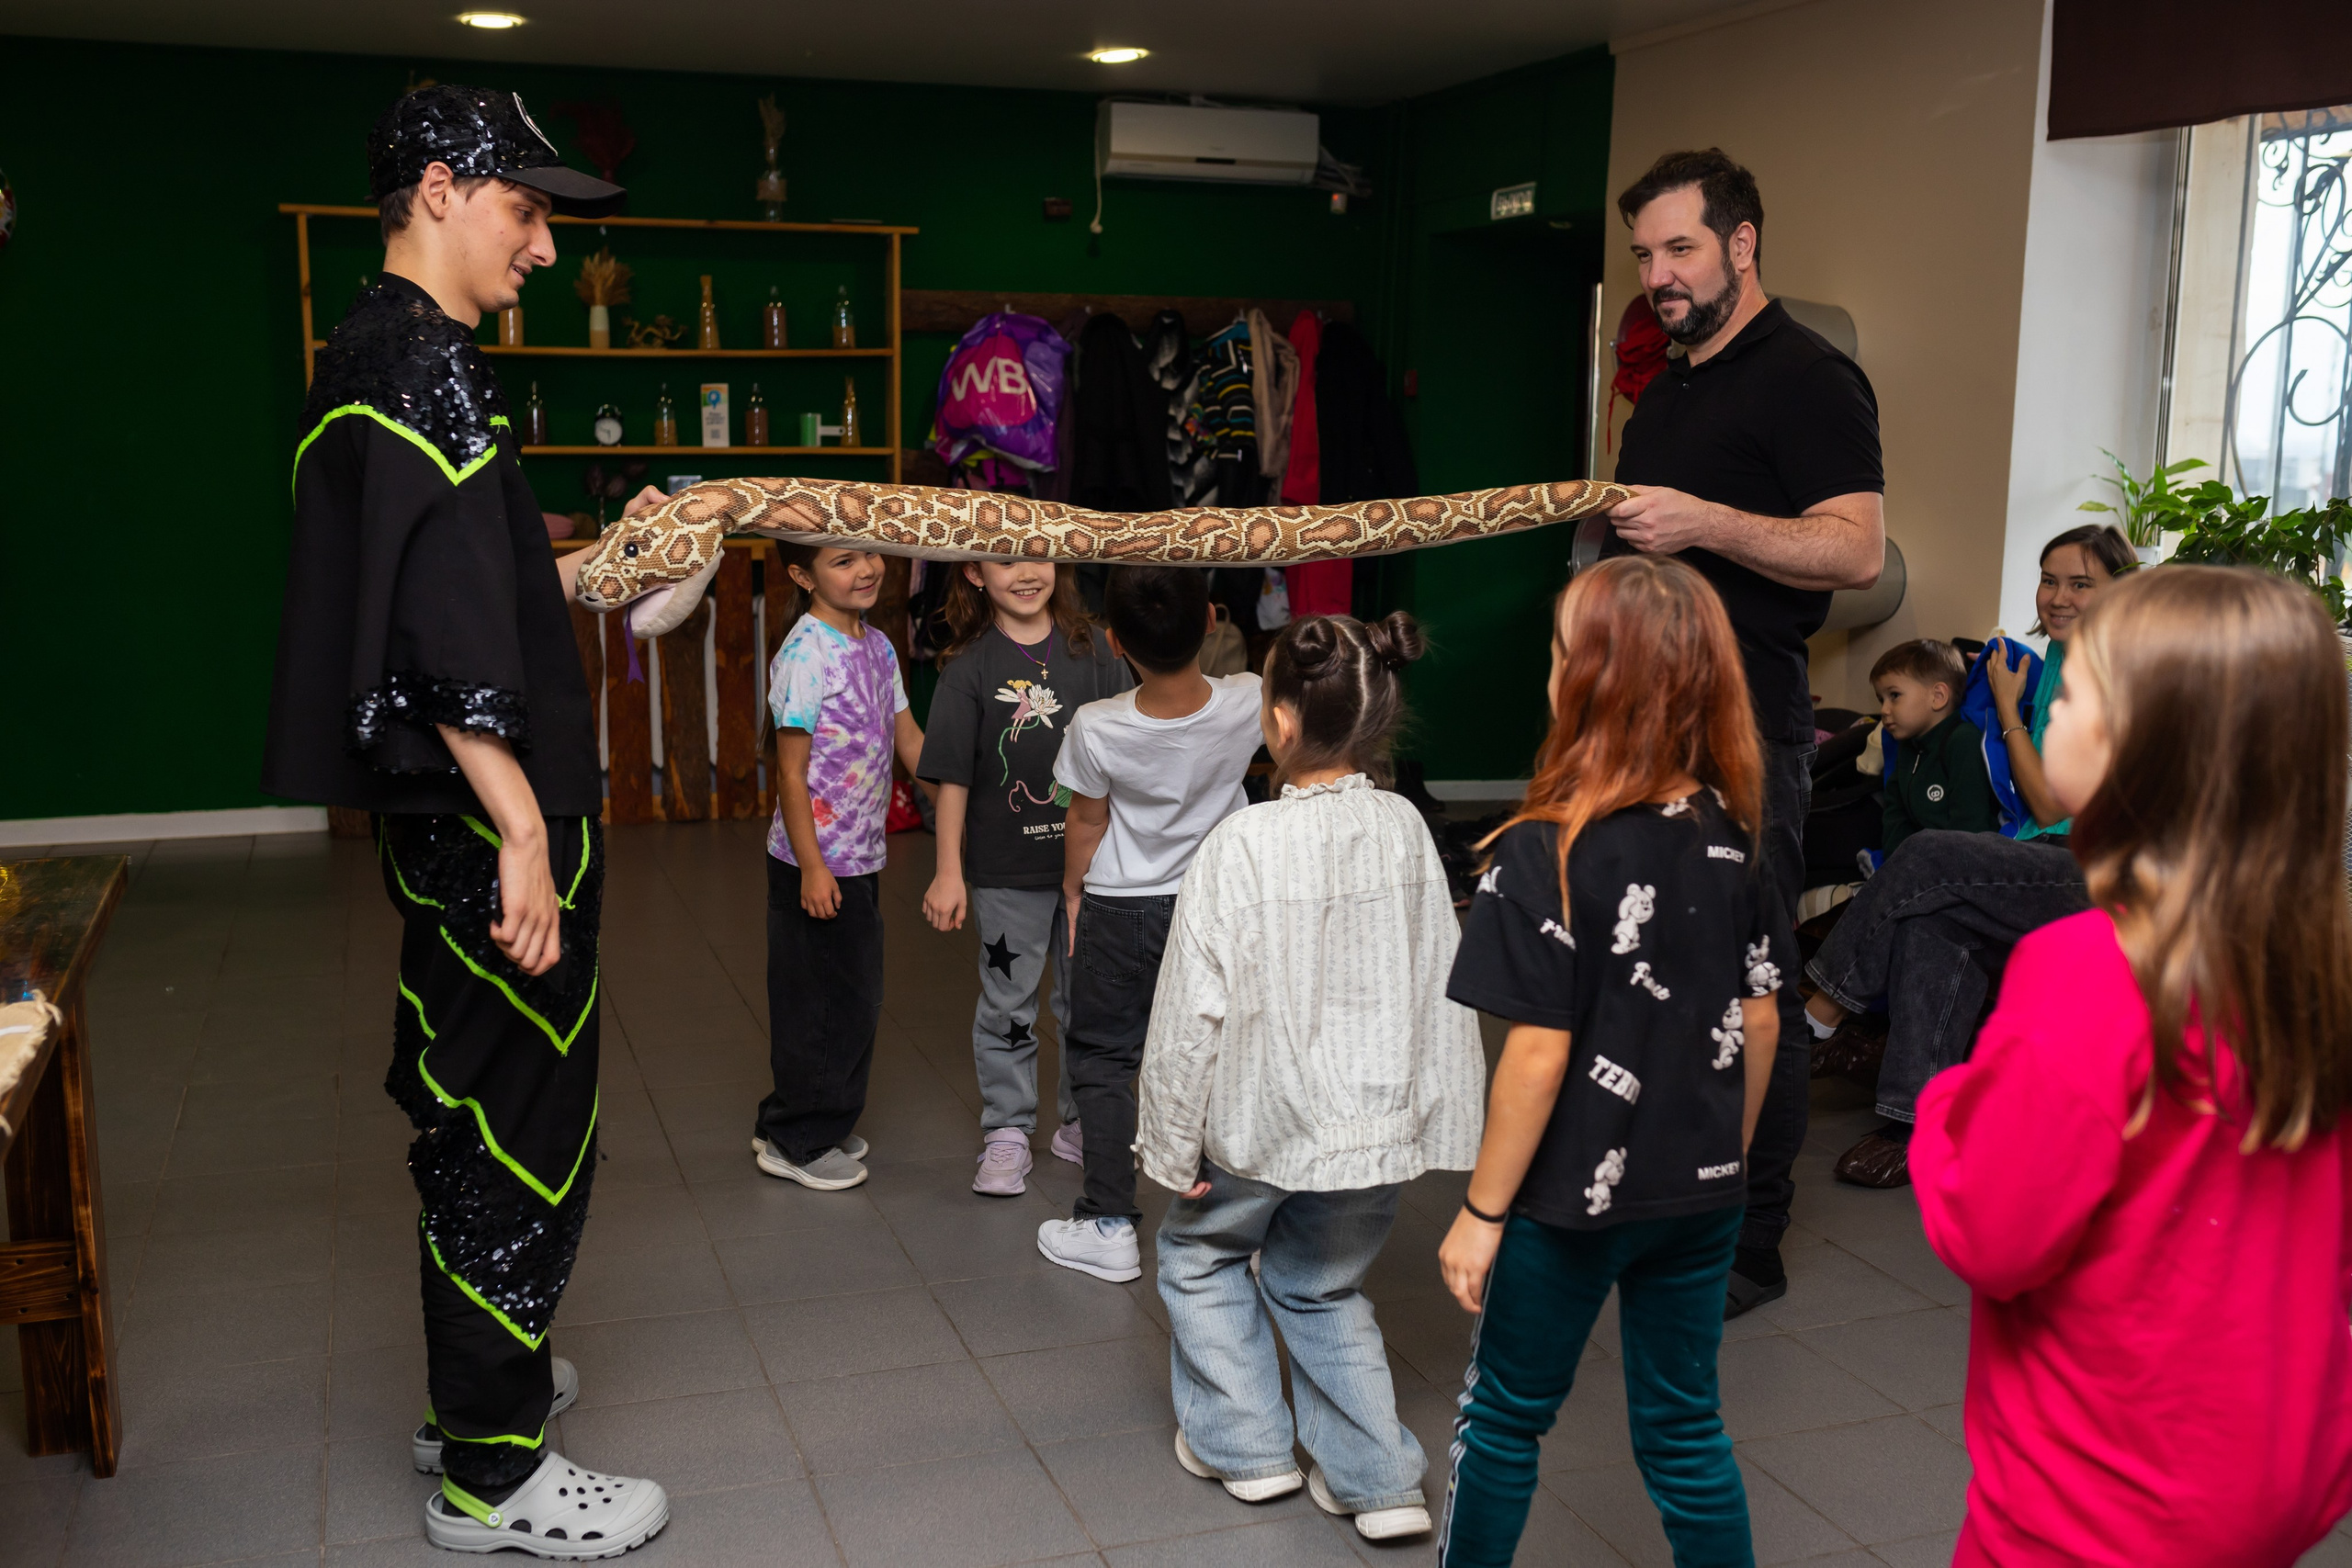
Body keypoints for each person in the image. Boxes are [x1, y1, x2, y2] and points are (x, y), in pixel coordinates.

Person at [260, 85, 670, 1555]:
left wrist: (594, 572)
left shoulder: (371, 349)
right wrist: (516, 824)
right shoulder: (421, 360)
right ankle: (492, 1473)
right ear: (438, 188)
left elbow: (449, 580)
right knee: (517, 1122)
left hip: (449, 817)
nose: (547, 247)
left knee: (472, 1096)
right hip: (493, 816)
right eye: (528, 208)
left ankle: (476, 1391)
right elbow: (433, 641)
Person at [1912, 565, 2352, 1565]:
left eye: (2067, 696)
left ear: (2138, 750)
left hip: (2097, 1499)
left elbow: (1994, 1233)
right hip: (2269, 1476)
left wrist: (1946, 1099)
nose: (2049, 704)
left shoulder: (2082, 970)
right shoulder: (2312, 964)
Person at [1436, 556, 1781, 1567]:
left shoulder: (1543, 851)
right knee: (1683, 1430)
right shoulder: (1731, 834)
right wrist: (1721, 1154)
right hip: (1704, 1198)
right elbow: (1760, 1024)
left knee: (1500, 1420)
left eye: (1556, 651)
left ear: (1586, 680)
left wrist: (1480, 1212)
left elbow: (1537, 1054)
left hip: (1562, 1211)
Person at [1605, 147, 1885, 1316]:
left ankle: (1749, 1240)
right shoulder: (1667, 387)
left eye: (1679, 250)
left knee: (1742, 978)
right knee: (1647, 972)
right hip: (1641, 717)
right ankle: (1663, 1202)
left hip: (1742, 721)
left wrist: (1709, 521)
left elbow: (1854, 549)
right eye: (1645, 258)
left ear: (1741, 243)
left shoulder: (1809, 378)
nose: (1660, 277)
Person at [1136, 612, 1485, 1543]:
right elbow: (1444, 983)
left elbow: (1187, 1015)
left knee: (1199, 1256)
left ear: (1278, 723)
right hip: (1371, 1129)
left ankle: (1245, 1448)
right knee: (1319, 1284)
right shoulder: (1408, 830)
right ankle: (1378, 1484)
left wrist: (1172, 1148)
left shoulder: (1237, 845)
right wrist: (1439, 1121)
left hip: (1257, 1125)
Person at [1804, 524, 2134, 1188]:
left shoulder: (2117, 675)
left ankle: (1816, 1014)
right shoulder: (2054, 664)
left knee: (1929, 858)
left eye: (2080, 584)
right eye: (2049, 579)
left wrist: (2008, 711)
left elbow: (2048, 804)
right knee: (1937, 917)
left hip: (2101, 868)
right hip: (2044, 853)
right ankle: (1913, 1120)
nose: (2058, 596)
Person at [1037, 567, 1264, 1281]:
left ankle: (1108, 1221)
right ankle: (1241, 1226)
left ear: (1113, 641)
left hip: (1122, 907)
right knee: (1225, 1058)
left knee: (1104, 1059)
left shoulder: (1097, 725)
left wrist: (1073, 895)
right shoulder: (1250, 698)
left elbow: (1085, 819)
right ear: (1209, 623)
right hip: (1218, 904)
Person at [916, 558, 1134, 1195]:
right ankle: (1008, 1130)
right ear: (976, 574)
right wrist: (947, 872)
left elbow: (1127, 749)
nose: (1025, 571)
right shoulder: (970, 666)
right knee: (1008, 1003)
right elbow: (951, 777)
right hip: (1005, 874)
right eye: (1005, 559)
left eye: (1037, 552)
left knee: (1084, 1004)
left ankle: (1081, 1121)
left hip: (1094, 871)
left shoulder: (1095, 651)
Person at [751, 543, 924, 1191]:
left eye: (869, 555)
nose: (866, 570)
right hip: (816, 862)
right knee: (820, 1005)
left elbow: (907, 737)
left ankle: (797, 1118)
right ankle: (799, 1139)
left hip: (860, 856)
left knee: (851, 996)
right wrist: (812, 868)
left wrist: (958, 782)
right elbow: (791, 775)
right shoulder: (805, 653)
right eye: (842, 561)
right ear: (802, 575)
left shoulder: (876, 644)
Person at [1870, 639, 1998, 857]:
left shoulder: (1963, 741)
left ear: (1938, 696)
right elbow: (1895, 819)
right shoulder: (1905, 746)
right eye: (1880, 699)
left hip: (1961, 866)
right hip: (1916, 866)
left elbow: (1970, 830)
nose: (1884, 709)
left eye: (1894, 696)